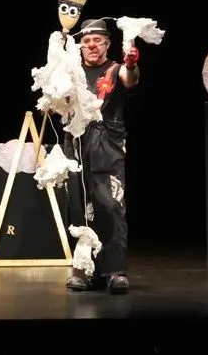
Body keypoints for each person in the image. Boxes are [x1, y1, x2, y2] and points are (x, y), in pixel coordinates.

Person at [62, 18, 140, 295]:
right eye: (87, 41)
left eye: (98, 40)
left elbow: (130, 79)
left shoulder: (115, 69)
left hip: (107, 143)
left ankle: (115, 271)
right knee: (79, 206)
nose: (92, 45)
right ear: (80, 46)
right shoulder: (71, 71)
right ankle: (85, 271)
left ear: (107, 44)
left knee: (110, 204)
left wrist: (132, 64)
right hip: (76, 143)